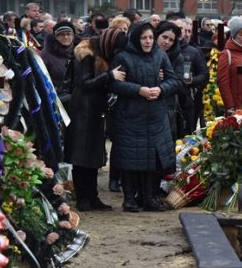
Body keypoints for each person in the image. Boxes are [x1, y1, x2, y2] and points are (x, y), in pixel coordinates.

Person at [110, 23, 180, 212]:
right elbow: (116, 85)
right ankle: (129, 199)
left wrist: (161, 89)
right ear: (135, 39)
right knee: (130, 158)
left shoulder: (160, 55)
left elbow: (174, 80)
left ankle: (149, 197)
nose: (148, 41)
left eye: (150, 37)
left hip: (156, 115)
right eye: (143, 38)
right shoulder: (123, 57)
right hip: (131, 114)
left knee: (153, 158)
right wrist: (138, 90)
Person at [65, 28, 127, 211]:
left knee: (92, 156)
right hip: (82, 111)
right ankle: (83, 198)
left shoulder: (100, 53)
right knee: (81, 157)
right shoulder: (87, 55)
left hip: (94, 110)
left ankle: (92, 197)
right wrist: (109, 76)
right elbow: (84, 83)